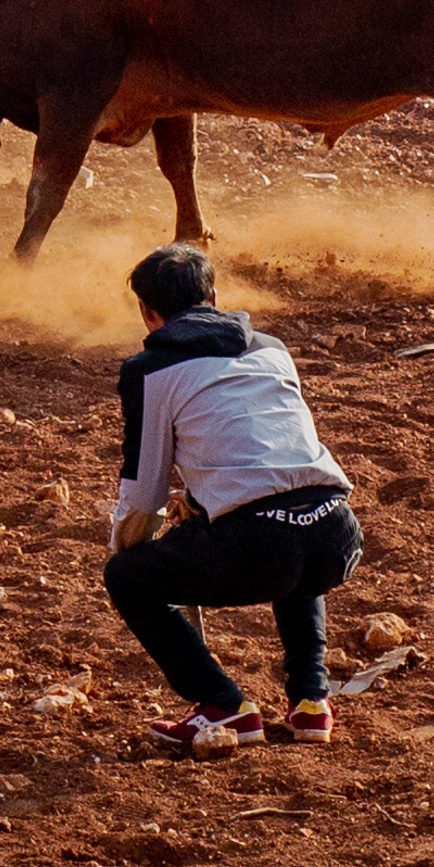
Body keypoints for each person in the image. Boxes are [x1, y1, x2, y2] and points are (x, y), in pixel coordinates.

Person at [102, 244, 363, 751]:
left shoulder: (150, 370)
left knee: (127, 578)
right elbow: (265, 456)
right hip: (338, 534)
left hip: (262, 548)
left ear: (149, 315)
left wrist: (128, 546)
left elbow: (144, 490)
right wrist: (202, 505)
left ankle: (223, 706)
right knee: (294, 524)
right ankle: (311, 702)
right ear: (215, 297)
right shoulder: (271, 347)